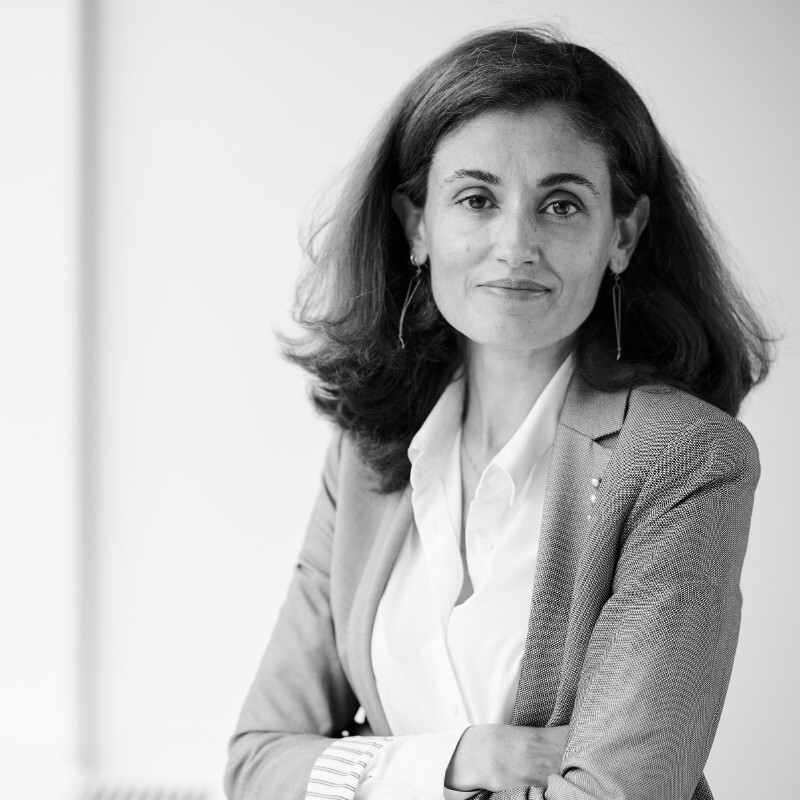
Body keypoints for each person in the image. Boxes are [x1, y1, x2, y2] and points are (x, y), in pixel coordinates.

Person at [224, 27, 772, 800]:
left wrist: (364, 771)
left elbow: (618, 792)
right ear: (417, 225)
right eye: (477, 199)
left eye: (561, 204)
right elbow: (256, 763)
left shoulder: (683, 457)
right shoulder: (368, 453)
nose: (516, 244)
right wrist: (459, 759)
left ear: (622, 234)